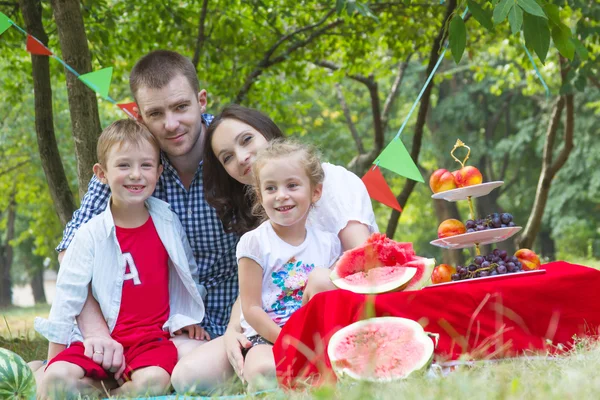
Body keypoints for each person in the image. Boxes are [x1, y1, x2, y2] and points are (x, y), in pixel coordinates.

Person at [49, 50, 240, 386]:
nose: (171, 124)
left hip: (229, 318)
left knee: (186, 380)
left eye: (181, 107)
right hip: (150, 334)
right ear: (138, 116)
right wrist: (97, 332)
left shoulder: (233, 151)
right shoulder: (130, 165)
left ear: (202, 100)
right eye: (156, 113)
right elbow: (71, 250)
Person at [171, 105, 378, 392]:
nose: (242, 158)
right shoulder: (266, 216)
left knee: (319, 280)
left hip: (331, 315)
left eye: (246, 140)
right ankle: (271, 370)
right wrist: (234, 329)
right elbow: (257, 287)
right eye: (227, 157)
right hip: (270, 327)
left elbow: (364, 259)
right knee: (188, 377)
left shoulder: (330, 182)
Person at [34, 120, 207, 398]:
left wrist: (186, 317)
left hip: (150, 340)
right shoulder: (91, 234)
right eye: (124, 166)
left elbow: (186, 271)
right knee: (56, 380)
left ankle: (112, 393)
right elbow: (69, 292)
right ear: (102, 173)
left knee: (153, 382)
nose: (136, 175)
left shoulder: (166, 221)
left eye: (146, 165)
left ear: (159, 171)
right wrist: (53, 359)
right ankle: (86, 381)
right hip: (98, 342)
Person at [236, 139, 342, 390]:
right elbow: (251, 308)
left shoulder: (328, 243)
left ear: (315, 191)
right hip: (266, 336)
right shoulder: (254, 243)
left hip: (313, 334)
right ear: (261, 196)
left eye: (292, 185)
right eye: (271, 188)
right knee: (263, 370)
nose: (281, 195)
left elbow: (329, 299)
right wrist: (287, 340)